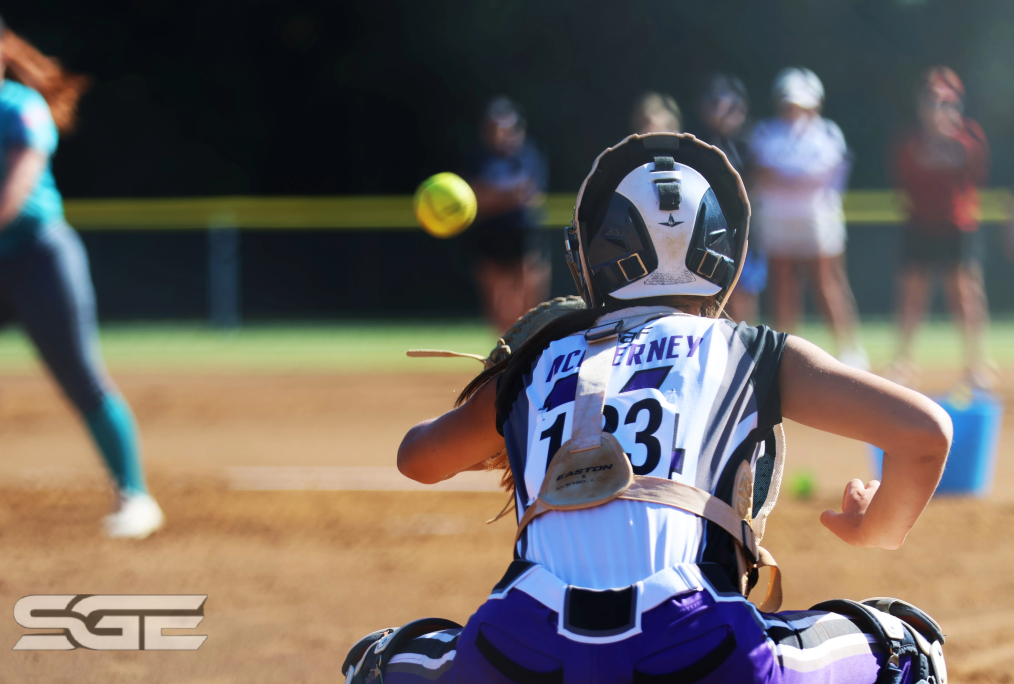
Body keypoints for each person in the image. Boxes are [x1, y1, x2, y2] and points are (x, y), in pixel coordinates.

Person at [342, 133, 952, 684]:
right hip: (698, 653)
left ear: (592, 255)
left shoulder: (536, 364)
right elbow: (926, 432)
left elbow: (417, 458)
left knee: (383, 661)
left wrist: (507, 398)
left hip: (520, 655)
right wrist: (874, 529)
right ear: (722, 255)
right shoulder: (749, 349)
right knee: (907, 646)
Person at [0, 14, 163, 538]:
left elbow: (17, 187)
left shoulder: (20, 107)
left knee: (80, 377)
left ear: (1, 52)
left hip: (38, 258)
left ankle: (135, 496)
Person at [750, 68, 868, 368]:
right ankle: (784, 353)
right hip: (777, 219)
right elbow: (763, 173)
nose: (794, 111)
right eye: (788, 103)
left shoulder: (827, 133)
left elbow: (822, 176)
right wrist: (793, 179)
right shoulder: (765, 132)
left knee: (827, 282)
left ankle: (848, 349)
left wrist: (784, 178)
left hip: (817, 219)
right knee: (783, 285)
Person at [890, 67, 992, 389]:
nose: (939, 108)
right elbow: (904, 179)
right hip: (921, 225)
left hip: (957, 226)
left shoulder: (968, 138)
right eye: (932, 101)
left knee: (965, 293)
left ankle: (975, 363)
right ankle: (903, 361)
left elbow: (977, 175)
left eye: (946, 101)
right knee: (912, 294)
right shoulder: (912, 142)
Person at [468, 97, 550, 333]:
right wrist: (506, 198)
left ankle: (524, 346)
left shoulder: (528, 154)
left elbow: (529, 195)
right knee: (496, 305)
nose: (499, 133)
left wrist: (491, 196)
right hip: (489, 236)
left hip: (522, 235)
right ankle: (505, 348)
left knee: (529, 302)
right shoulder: (478, 157)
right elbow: (476, 198)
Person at [693, 73, 767, 324]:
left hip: (745, 228)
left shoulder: (752, 142)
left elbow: (759, 183)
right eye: (715, 107)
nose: (722, 115)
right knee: (709, 290)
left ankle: (744, 339)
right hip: (708, 228)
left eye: (730, 109)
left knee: (745, 291)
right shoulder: (697, 142)